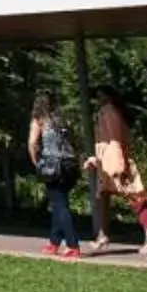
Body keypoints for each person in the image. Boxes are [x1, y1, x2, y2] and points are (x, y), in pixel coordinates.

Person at [86, 88, 143, 255]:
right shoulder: (114, 111)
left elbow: (115, 138)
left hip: (112, 158)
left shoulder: (108, 111)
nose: (97, 99)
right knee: (104, 196)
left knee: (131, 195)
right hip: (110, 157)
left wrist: (118, 162)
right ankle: (103, 235)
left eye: (100, 95)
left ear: (108, 96)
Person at [27, 91, 84, 258]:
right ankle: (54, 242)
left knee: (60, 205)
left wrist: (36, 163)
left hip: (53, 166)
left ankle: (73, 244)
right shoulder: (64, 120)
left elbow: (32, 144)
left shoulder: (39, 120)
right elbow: (75, 142)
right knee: (59, 202)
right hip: (70, 165)